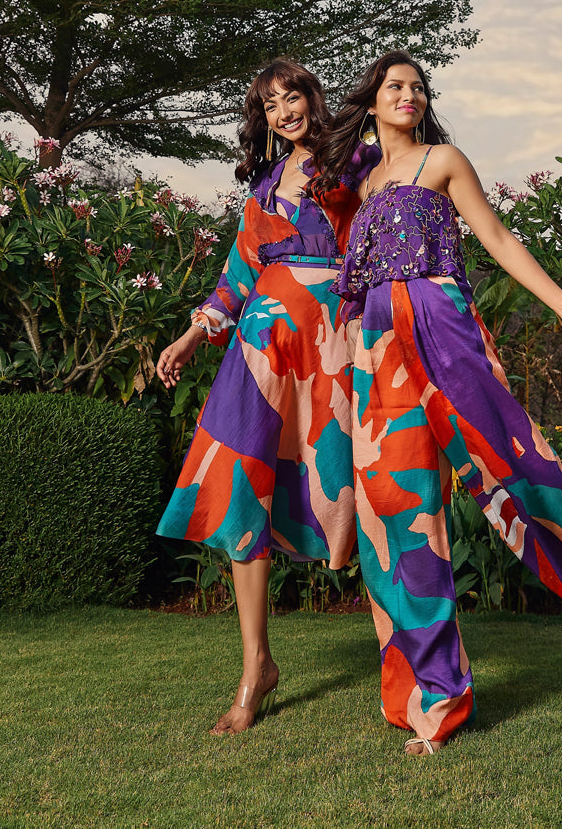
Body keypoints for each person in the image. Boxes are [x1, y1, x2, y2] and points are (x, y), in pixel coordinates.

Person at [313, 51, 562, 757]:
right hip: (377, 351)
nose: (409, 94)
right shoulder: (359, 184)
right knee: (398, 515)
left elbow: (496, 237)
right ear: (370, 101)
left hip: (443, 328)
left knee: (511, 459)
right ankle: (432, 701)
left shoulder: (443, 161)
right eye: (395, 85)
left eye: (418, 87)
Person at [156, 59, 375, 735]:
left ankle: (414, 663)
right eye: (271, 103)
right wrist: (194, 335)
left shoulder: (357, 163)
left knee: (362, 495)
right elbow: (236, 275)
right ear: (263, 117)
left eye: (295, 96)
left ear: (315, 99)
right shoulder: (262, 185)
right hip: (257, 356)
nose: (286, 111)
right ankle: (256, 669)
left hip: (332, 354)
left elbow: (384, 240)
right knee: (238, 490)